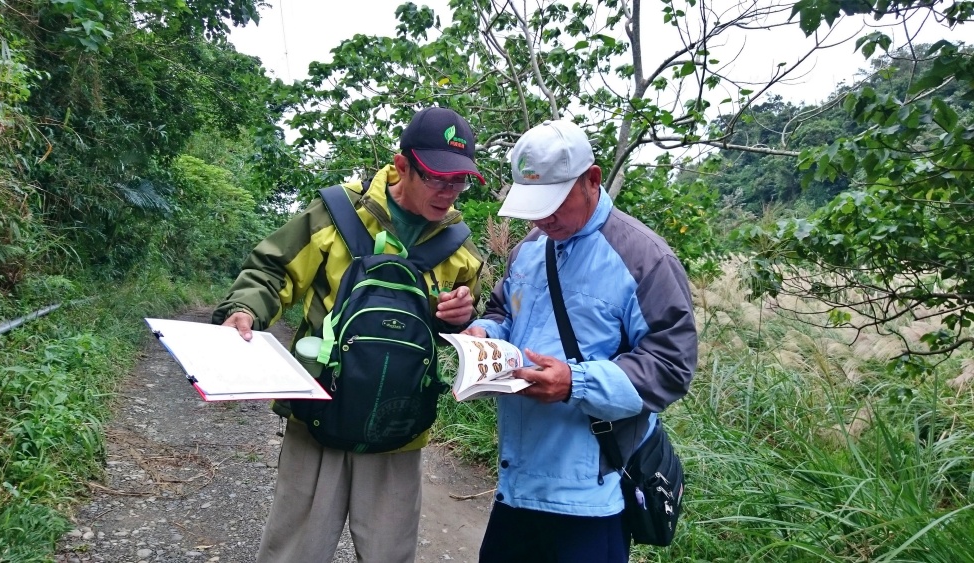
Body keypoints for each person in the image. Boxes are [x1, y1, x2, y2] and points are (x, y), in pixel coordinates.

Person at [211, 107, 485, 563]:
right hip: (319, 410)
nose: (448, 192)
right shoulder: (338, 214)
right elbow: (273, 269)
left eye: (458, 181)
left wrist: (456, 318)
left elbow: (444, 331)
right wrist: (244, 310)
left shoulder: (461, 251)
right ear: (402, 166)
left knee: (388, 554)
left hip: (398, 427)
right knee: (294, 551)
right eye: (437, 178)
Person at [463, 120, 698, 563]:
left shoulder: (645, 258)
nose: (541, 218)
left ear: (593, 179)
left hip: (592, 496)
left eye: (553, 203)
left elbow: (672, 365)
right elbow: (502, 312)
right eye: (533, 206)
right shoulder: (530, 249)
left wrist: (576, 383)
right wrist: (485, 337)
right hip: (518, 482)